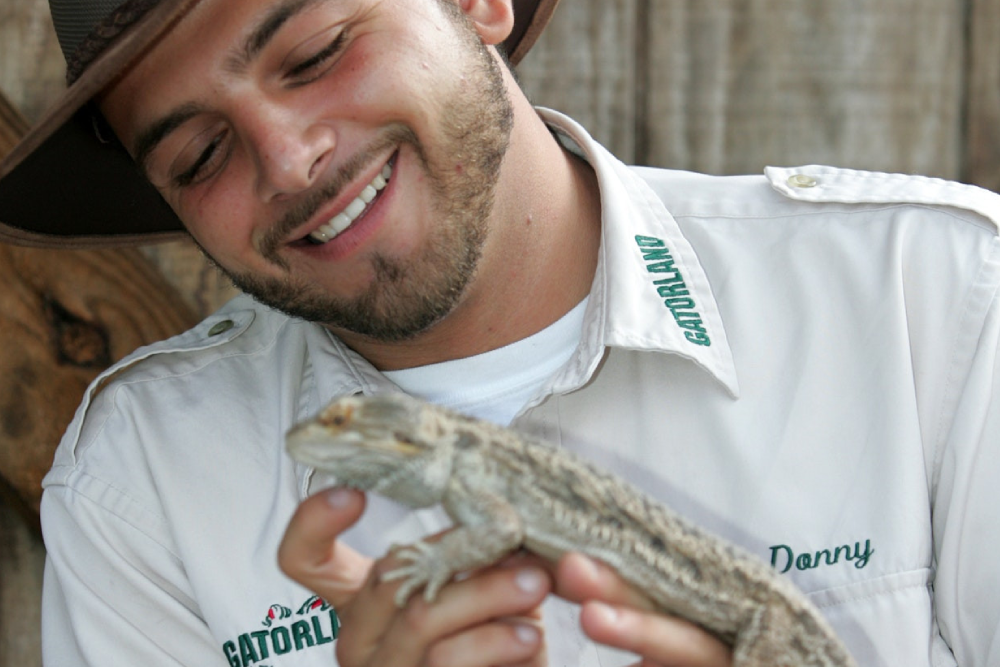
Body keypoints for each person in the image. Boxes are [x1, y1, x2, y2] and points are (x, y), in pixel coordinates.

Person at [0, 0, 996, 665]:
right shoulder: (140, 484)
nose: (292, 160)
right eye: (200, 152)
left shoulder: (939, 296)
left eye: (314, 53)